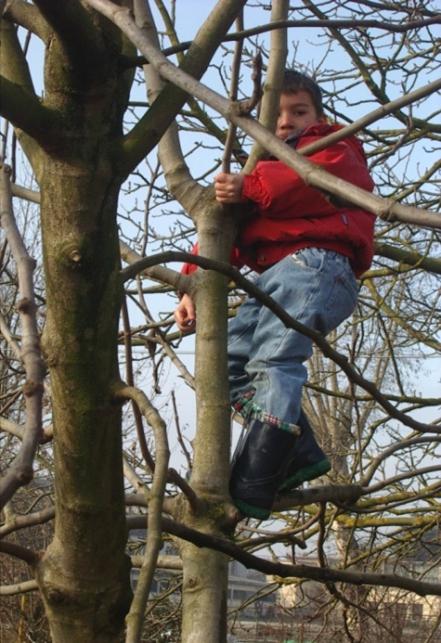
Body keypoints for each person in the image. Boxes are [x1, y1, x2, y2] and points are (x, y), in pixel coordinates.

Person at [174, 70, 375, 520]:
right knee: (225, 368)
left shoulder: (333, 148)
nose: (286, 123)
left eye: (298, 112)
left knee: (273, 361)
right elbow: (219, 235)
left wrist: (253, 187)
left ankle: (256, 477)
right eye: (276, 115)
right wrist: (191, 285)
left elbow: (311, 181)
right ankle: (297, 451)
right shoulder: (259, 173)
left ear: (319, 117)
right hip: (275, 279)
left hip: (319, 263)